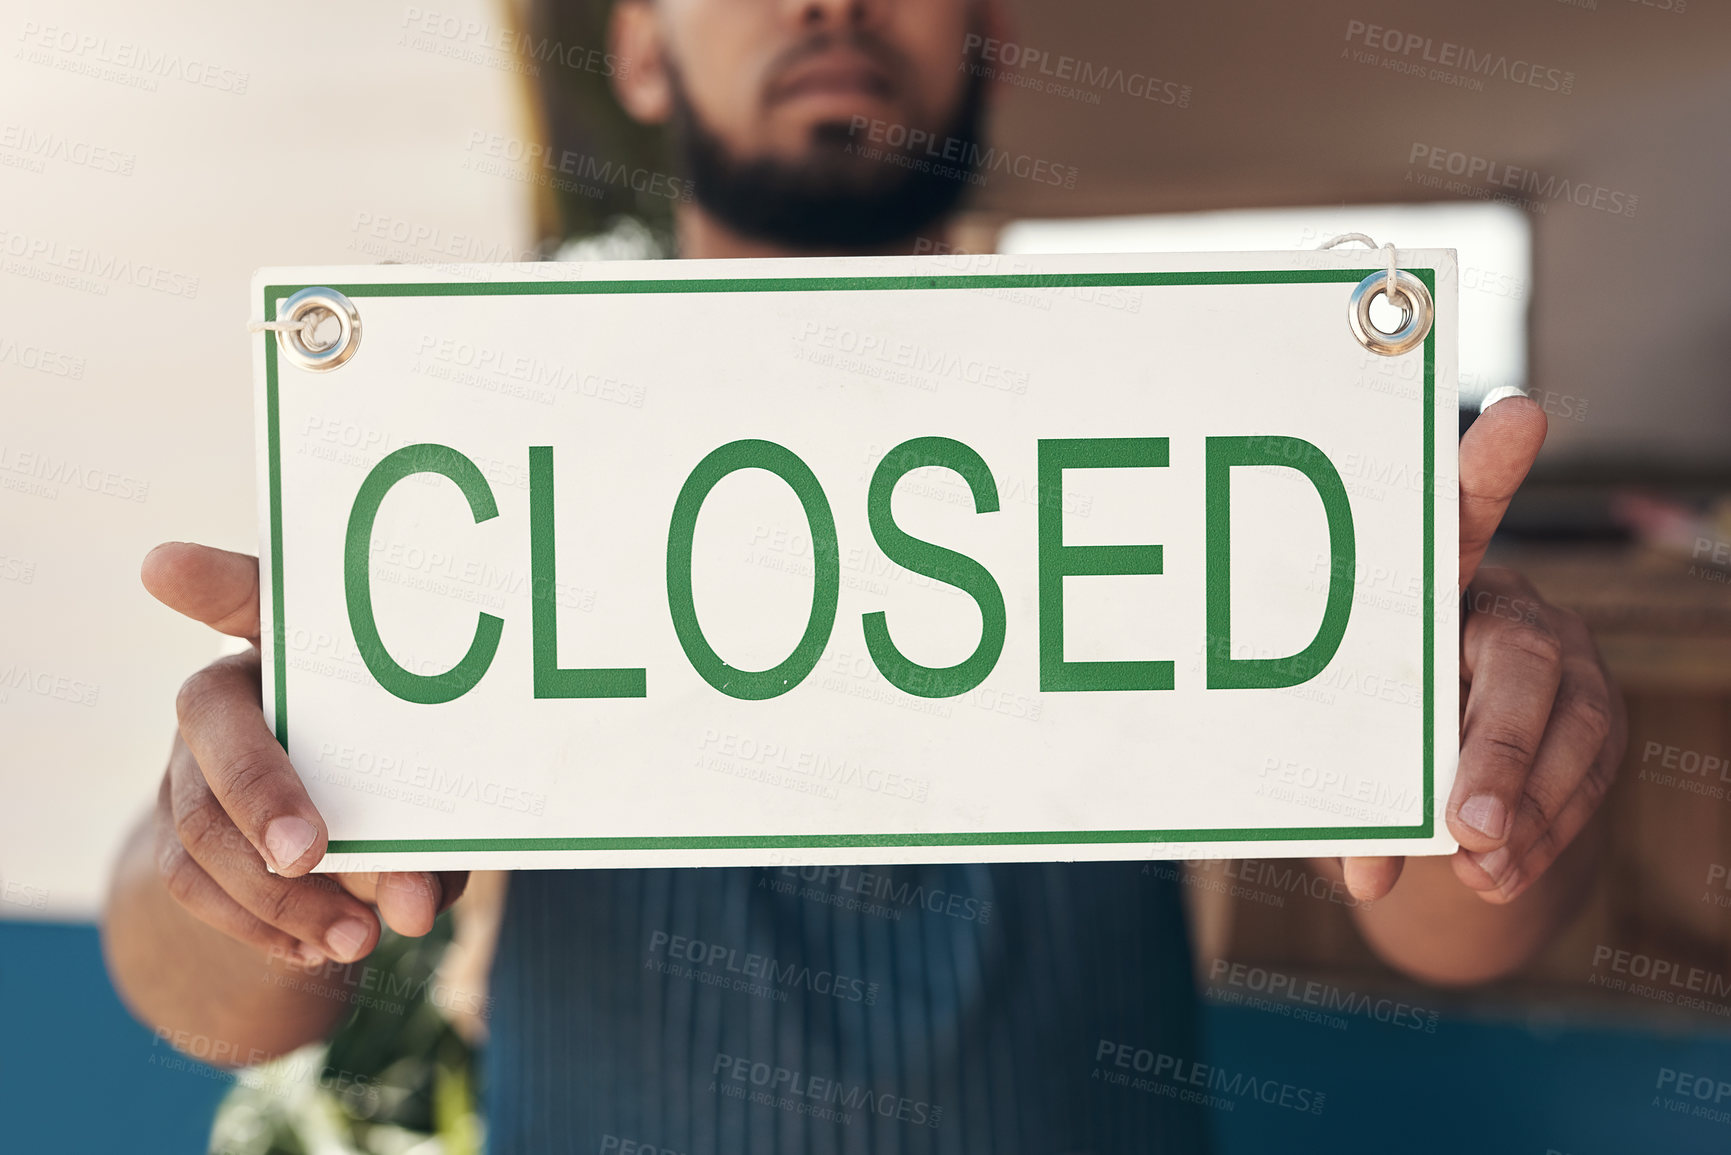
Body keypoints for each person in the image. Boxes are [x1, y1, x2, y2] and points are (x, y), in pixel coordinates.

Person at [102, 0, 1627, 1150]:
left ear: (991, 36)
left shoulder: (1179, 416)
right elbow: (215, 997)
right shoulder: (475, 430)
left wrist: (1496, 766)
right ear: (640, 48)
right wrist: (227, 859)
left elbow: (1457, 915)